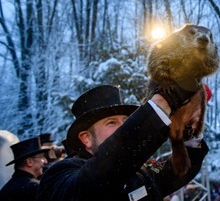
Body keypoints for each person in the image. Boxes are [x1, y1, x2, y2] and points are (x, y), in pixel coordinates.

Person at [37, 84, 209, 200]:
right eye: (111, 122)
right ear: (86, 138)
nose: (122, 127)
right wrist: (160, 105)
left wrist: (188, 129)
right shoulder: (61, 174)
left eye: (125, 121)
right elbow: (97, 178)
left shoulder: (142, 170)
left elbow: (177, 170)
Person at [0, 136, 50, 201]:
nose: (45, 161)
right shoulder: (34, 187)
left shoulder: (4, 190)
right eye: (42, 157)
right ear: (29, 162)